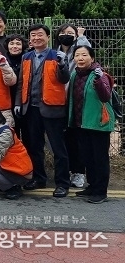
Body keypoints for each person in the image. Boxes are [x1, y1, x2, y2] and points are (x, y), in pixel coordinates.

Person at [14, 23, 71, 198]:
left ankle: (62, 183)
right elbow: (21, 82)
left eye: (40, 35)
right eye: (33, 35)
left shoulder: (57, 56)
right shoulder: (26, 57)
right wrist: (18, 103)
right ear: (30, 39)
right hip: (30, 108)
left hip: (52, 108)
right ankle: (39, 178)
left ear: (48, 37)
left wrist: (62, 64)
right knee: (34, 146)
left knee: (57, 148)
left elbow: (64, 79)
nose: (36, 38)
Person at [68, 45, 114, 204]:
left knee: (99, 158)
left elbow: (105, 96)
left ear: (92, 58)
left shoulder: (99, 74)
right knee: (87, 157)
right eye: (77, 55)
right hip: (81, 123)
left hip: (98, 122)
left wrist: (100, 80)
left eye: (84, 55)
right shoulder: (75, 74)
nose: (80, 58)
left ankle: (101, 191)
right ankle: (92, 186)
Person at [55, 23, 92, 189]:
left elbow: (87, 51)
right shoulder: (55, 53)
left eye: (71, 33)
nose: (66, 35)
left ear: (76, 36)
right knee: (63, 139)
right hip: (57, 101)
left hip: (75, 100)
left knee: (77, 138)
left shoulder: (78, 53)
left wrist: (82, 37)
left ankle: (79, 172)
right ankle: (69, 169)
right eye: (63, 32)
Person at [4, 34, 28, 136]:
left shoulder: (28, 59)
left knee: (27, 130)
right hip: (7, 97)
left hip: (25, 99)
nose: (15, 46)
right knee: (12, 130)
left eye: (18, 44)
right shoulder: (2, 60)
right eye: (12, 43)